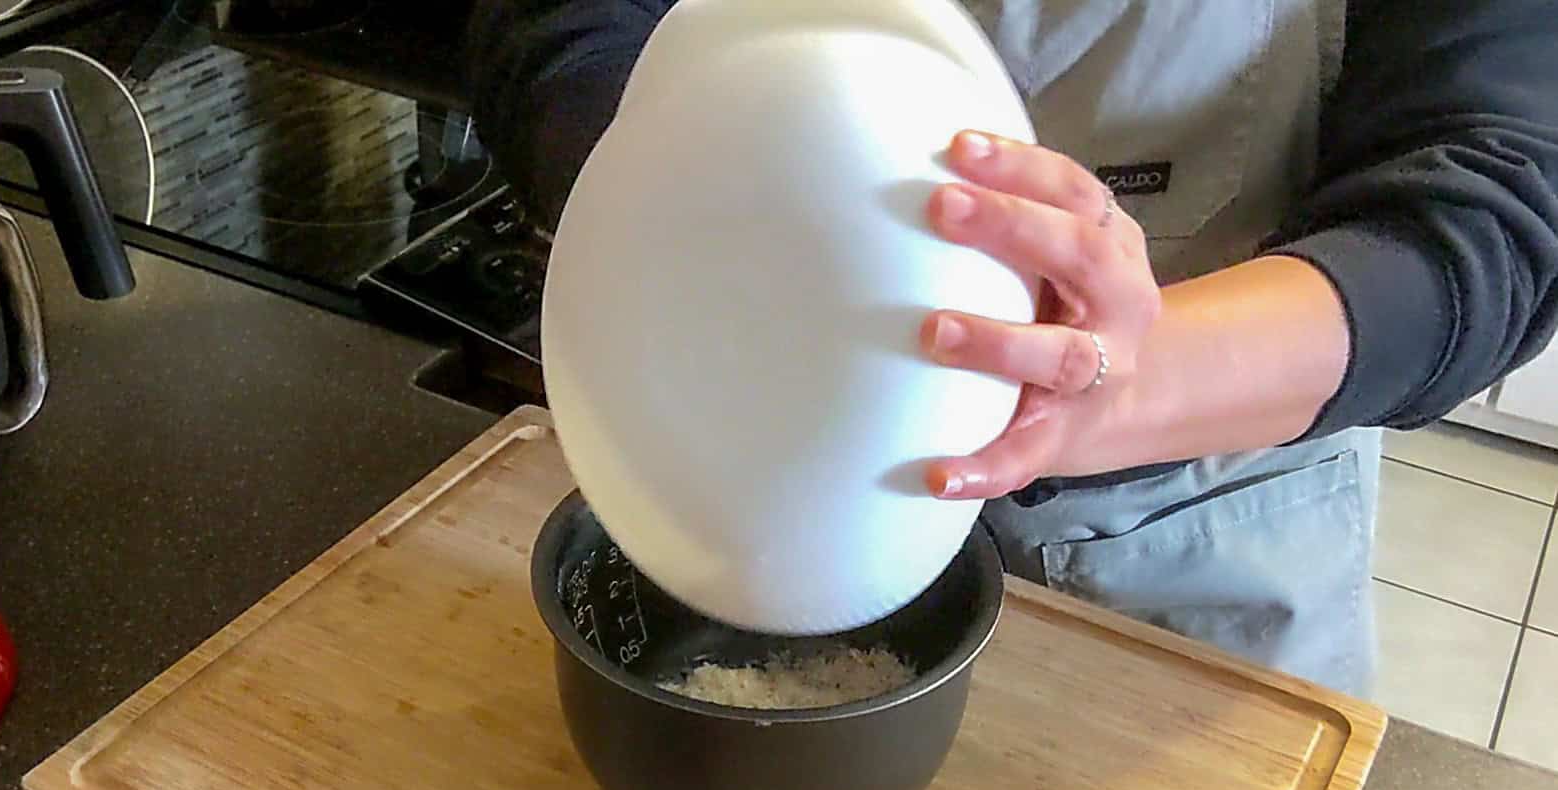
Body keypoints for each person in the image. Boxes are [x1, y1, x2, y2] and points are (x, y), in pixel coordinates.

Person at [462, 0, 1558, 696]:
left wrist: (1138, 378)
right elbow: (558, 19)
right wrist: (670, 195)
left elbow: (1497, 200)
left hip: (1193, 576)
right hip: (757, 468)